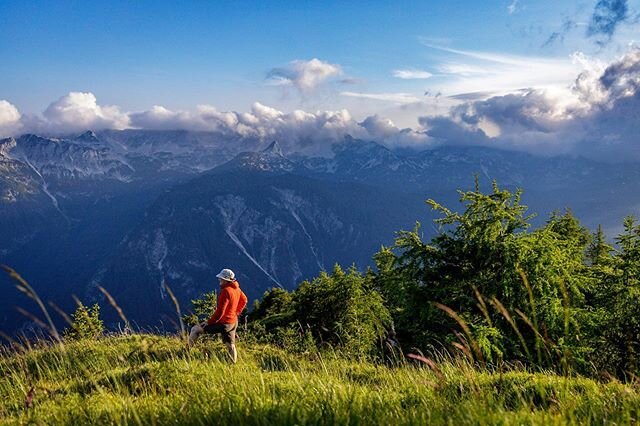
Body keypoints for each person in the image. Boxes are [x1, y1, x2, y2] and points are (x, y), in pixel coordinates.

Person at [189, 268, 248, 363]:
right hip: (233, 322)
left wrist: (208, 322)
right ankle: (233, 365)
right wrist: (236, 312)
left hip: (224, 323)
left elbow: (220, 311)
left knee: (195, 329)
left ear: (226, 280)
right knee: (231, 345)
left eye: (221, 279)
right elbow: (244, 300)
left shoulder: (225, 291)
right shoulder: (236, 289)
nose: (219, 280)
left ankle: (186, 352)